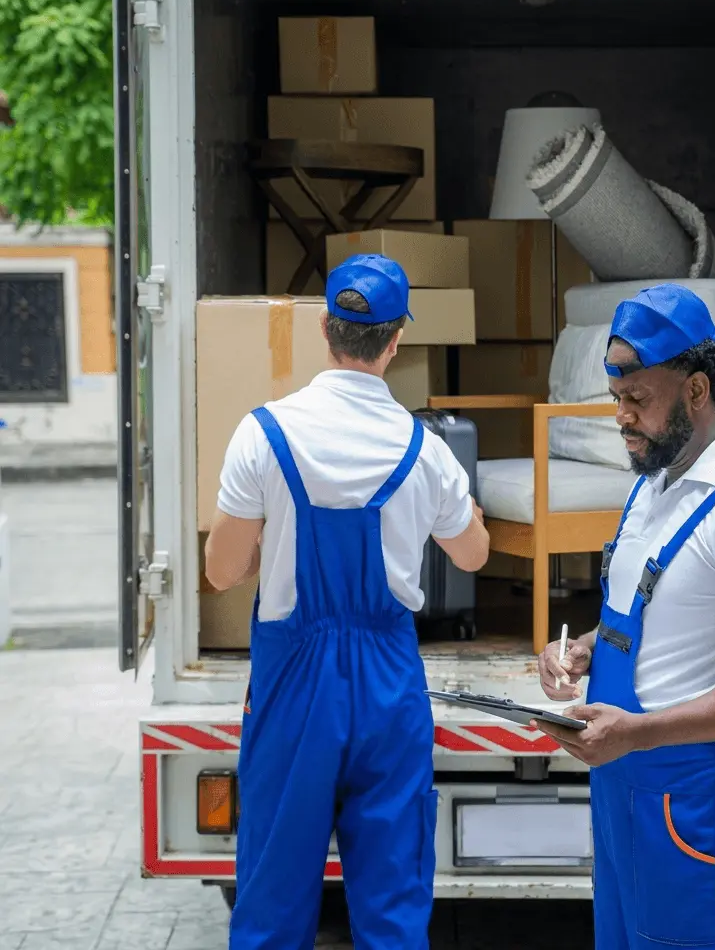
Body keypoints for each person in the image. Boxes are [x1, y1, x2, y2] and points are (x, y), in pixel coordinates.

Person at [204, 253, 490, 950]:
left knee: (272, 900)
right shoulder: (426, 450)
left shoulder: (263, 434)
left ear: (325, 331)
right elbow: (473, 554)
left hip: (293, 683)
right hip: (389, 686)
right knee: (392, 904)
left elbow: (221, 571)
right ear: (396, 342)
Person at [535, 283, 715, 950]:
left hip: (697, 809)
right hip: (625, 795)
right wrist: (584, 650)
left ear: (697, 391)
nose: (622, 418)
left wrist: (640, 732)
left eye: (638, 401)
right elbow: (659, 619)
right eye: (618, 401)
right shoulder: (650, 487)